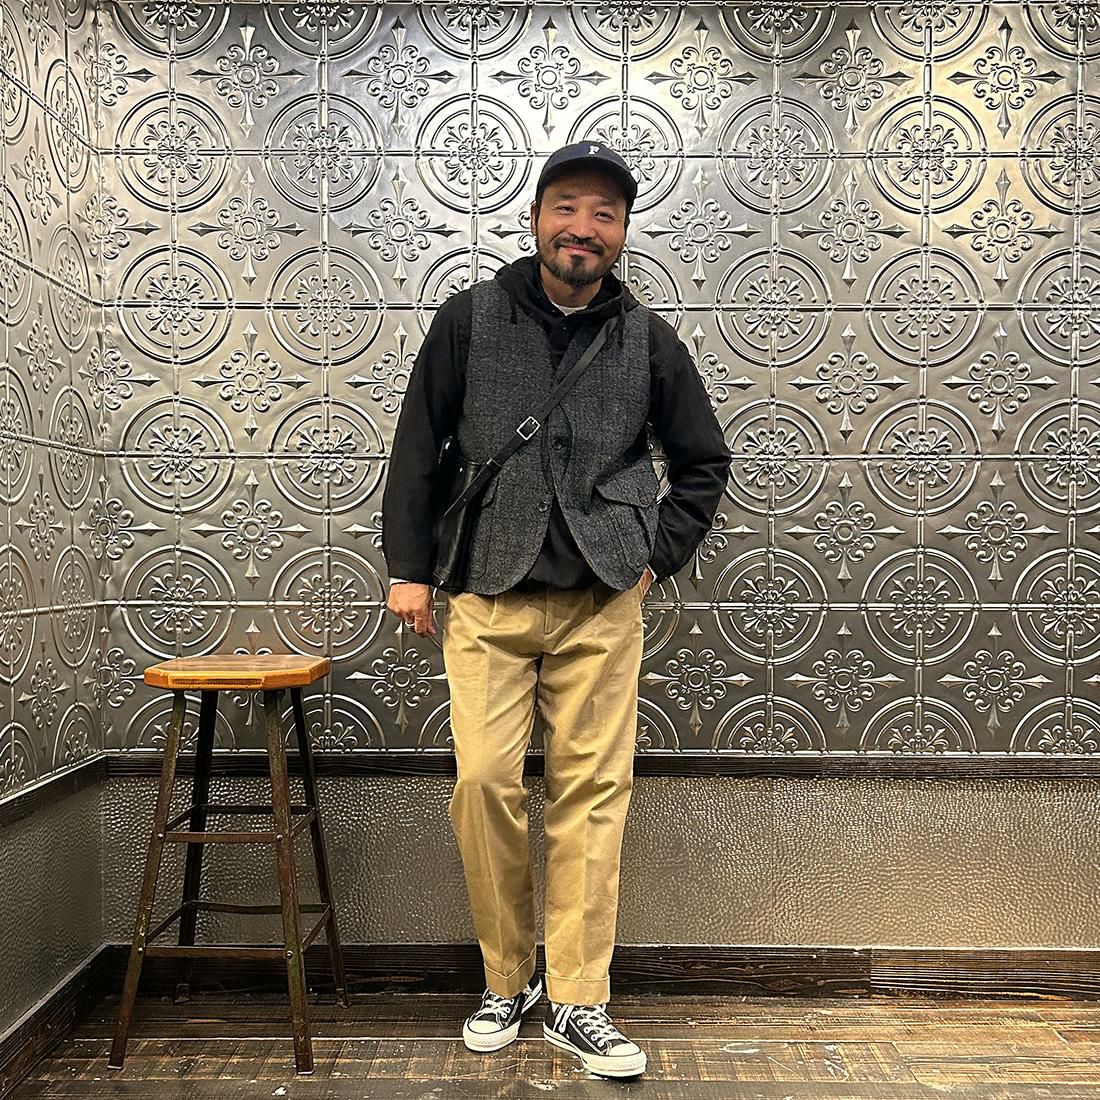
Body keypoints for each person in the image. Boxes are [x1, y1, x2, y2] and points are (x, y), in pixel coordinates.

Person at [381, 141, 731, 1079]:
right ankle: (508, 979)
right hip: (486, 595)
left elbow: (703, 462)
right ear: (537, 218)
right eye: (568, 207)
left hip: (601, 602)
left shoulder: (649, 339)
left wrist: (655, 556)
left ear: (622, 233)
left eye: (605, 214)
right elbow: (418, 444)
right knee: (484, 785)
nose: (585, 228)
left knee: (592, 796)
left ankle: (579, 998)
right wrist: (409, 568)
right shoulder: (469, 318)